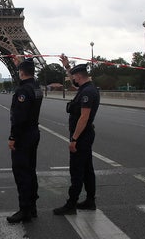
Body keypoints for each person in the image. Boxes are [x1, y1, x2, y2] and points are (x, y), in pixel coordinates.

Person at [53, 55, 100, 215]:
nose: (72, 79)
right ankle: (90, 201)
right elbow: (74, 85)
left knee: (77, 171)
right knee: (87, 169)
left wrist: (74, 139)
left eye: (74, 76)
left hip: (81, 136)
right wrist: (67, 66)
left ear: (79, 76)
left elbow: (84, 117)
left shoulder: (87, 92)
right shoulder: (87, 88)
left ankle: (71, 204)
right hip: (86, 135)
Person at [7, 57, 43, 223]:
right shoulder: (36, 88)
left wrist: (13, 137)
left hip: (23, 135)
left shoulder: (23, 91)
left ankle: (24, 210)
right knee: (30, 171)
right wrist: (20, 65)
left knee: (21, 173)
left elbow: (19, 118)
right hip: (34, 132)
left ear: (21, 72)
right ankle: (32, 207)